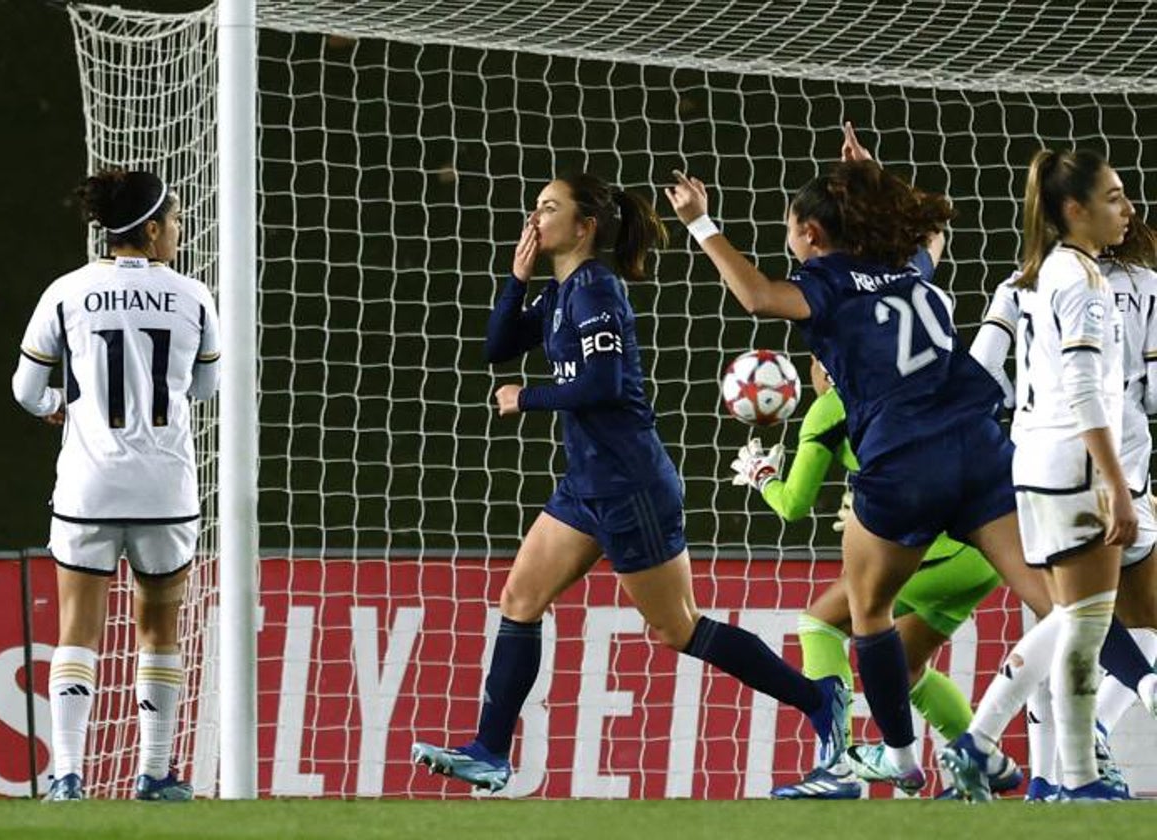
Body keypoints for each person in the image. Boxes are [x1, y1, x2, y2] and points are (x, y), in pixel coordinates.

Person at [410, 173, 848, 793]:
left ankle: (816, 700)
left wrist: (526, 398)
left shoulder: (595, 289)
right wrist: (517, 278)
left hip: (630, 486)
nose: (536, 217)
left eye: (550, 208)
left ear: (585, 227)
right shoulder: (561, 292)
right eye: (535, 208)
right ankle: (489, 751)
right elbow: (497, 345)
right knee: (519, 600)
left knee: (679, 629)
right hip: (586, 487)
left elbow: (606, 383)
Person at [666, 123, 1032, 794]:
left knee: (867, 615)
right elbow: (933, 236)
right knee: (1060, 601)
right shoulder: (907, 268)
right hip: (978, 445)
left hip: (903, 465)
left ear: (809, 232)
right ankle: (1105, 719)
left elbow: (757, 296)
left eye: (789, 228)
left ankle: (896, 757)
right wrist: (874, 176)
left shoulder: (825, 284)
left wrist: (701, 223)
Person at [941, 149, 1157, 802]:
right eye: (1115, 196)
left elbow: (980, 371)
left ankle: (994, 747)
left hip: (1033, 460)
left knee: (1081, 617)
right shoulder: (1122, 283)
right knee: (1085, 621)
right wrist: (1118, 481)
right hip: (1094, 467)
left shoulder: (1022, 281)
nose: (1129, 207)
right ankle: (1070, 767)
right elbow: (1125, 391)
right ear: (1076, 208)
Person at [12, 170, 221, 801]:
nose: (180, 231)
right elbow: (205, 389)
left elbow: (25, 390)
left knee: (77, 628)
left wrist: (59, 403)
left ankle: (68, 777)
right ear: (152, 228)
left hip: (89, 485)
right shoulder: (194, 296)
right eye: (177, 220)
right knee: (159, 628)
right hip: (164, 490)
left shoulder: (67, 292)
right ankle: (154, 775)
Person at [730, 355, 1023, 799]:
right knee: (904, 668)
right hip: (984, 548)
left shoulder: (832, 406)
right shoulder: (921, 383)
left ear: (827, 366)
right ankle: (982, 761)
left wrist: (763, 476)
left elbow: (792, 505)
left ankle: (836, 766)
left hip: (929, 548)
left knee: (820, 624)